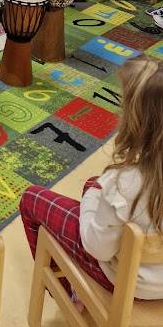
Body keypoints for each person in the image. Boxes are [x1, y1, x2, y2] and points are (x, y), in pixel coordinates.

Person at [20, 56, 163, 302]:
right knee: (92, 184)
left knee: (31, 198)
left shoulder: (121, 184)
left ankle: (70, 293)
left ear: (136, 121)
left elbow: (97, 248)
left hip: (128, 282)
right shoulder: (122, 183)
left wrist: (93, 199)